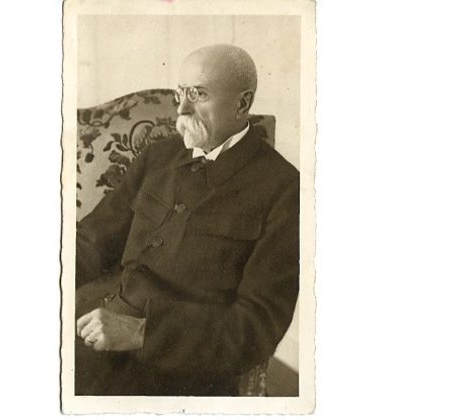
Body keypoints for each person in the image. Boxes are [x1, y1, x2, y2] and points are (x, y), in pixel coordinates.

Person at [74, 44, 300, 396]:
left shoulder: (283, 189)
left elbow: (256, 327)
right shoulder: (158, 155)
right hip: (87, 323)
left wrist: (141, 333)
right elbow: (91, 241)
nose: (181, 108)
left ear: (242, 104)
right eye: (181, 93)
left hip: (173, 369)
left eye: (198, 94)